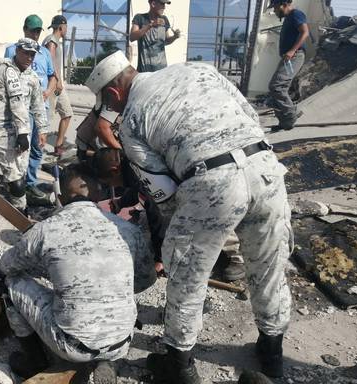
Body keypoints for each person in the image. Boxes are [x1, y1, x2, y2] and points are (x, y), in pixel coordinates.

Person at [85, 51, 293, 382]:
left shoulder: (133, 119)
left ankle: (179, 364)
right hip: (266, 167)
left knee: (186, 272)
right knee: (268, 265)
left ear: (112, 94)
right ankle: (272, 351)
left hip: (212, 180)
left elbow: (164, 196)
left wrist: (176, 238)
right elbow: (250, 116)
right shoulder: (200, 69)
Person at [0, 164, 155, 381]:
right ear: (98, 193)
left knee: (8, 284)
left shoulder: (45, 229)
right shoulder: (128, 229)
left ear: (60, 197)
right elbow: (147, 279)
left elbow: (6, 267)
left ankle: (34, 361)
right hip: (122, 341)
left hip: (72, 346)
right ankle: (108, 360)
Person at [92, 148, 247, 282]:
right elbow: (138, 190)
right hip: (192, 181)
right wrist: (122, 203)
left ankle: (238, 257)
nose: (112, 186)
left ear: (114, 171)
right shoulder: (133, 164)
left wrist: (160, 260)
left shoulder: (142, 170)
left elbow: (157, 215)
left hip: (211, 184)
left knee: (214, 216)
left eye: (109, 182)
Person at [0, 37, 48, 212]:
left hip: (10, 132)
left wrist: (32, 131)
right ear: (17, 51)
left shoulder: (27, 77)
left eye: (32, 55)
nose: (29, 58)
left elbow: (35, 106)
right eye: (26, 53)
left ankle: (21, 212)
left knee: (16, 176)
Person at [5, 14, 57, 206]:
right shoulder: (12, 49)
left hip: (39, 107)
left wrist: (47, 92)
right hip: (19, 109)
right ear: (24, 29)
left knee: (37, 146)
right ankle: (14, 183)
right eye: (32, 30)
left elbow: (53, 77)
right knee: (18, 147)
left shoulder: (43, 53)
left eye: (38, 31)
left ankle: (31, 183)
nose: (35, 34)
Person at [268, 0, 308, 131]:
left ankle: (291, 115)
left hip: (294, 56)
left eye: (274, 7)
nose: (274, 11)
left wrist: (292, 51)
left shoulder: (296, 14)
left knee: (277, 86)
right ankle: (285, 122)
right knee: (278, 87)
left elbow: (305, 32)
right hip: (288, 57)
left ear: (283, 4)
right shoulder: (289, 18)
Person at [42, 15, 73, 157]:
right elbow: (51, 58)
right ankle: (37, 150)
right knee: (47, 118)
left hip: (56, 85)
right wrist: (58, 80)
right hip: (53, 84)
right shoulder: (52, 41)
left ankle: (58, 146)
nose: (66, 29)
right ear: (62, 27)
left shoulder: (53, 40)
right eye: (66, 27)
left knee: (67, 113)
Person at [129, 0, 180, 73]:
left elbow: (166, 41)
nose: (164, 7)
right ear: (153, 4)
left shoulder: (164, 19)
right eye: (162, 4)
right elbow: (132, 37)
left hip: (161, 72)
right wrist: (150, 25)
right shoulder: (140, 18)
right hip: (144, 71)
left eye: (165, 4)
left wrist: (175, 36)